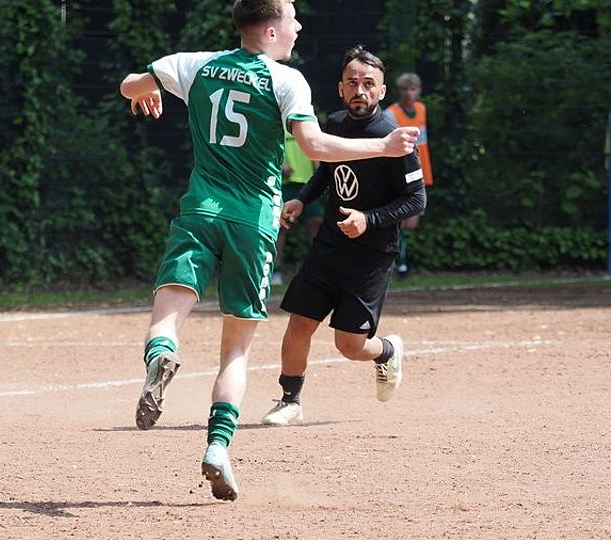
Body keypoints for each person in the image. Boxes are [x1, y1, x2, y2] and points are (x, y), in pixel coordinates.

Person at [119, 0, 418, 501]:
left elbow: (130, 85)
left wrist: (146, 91)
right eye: (293, 17)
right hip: (253, 223)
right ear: (272, 30)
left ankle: (161, 354)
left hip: (200, 212)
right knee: (235, 349)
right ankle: (217, 447)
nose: (299, 25)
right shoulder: (286, 80)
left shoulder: (193, 64)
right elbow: (315, 147)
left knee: (168, 313)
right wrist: (382, 147)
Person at [261, 45, 426, 427]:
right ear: (340, 88)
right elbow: (326, 170)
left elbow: (416, 199)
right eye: (352, 83)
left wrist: (369, 219)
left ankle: (386, 351)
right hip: (329, 246)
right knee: (300, 322)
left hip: (371, 254)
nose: (360, 90)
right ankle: (290, 400)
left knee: (349, 345)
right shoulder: (333, 124)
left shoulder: (393, 138)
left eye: (368, 84)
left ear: (382, 90)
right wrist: (302, 199)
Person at [385, 72, 433, 278]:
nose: (409, 93)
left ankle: (399, 259)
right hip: (401, 171)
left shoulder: (421, 109)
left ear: (419, 90)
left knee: (410, 223)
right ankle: (399, 263)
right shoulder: (390, 113)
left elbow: (422, 143)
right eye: (405, 89)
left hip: (420, 171)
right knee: (400, 219)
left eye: (413, 89)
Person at [270, 130, 321, 285]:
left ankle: (317, 269)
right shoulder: (277, 122)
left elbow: (315, 146)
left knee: (316, 222)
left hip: (307, 183)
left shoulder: (307, 123)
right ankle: (275, 271)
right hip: (284, 184)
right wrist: (280, 164)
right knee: (280, 227)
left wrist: (320, 171)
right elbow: (268, 148)